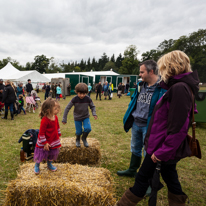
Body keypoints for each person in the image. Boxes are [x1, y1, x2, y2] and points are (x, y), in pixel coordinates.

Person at [116, 50, 200, 206]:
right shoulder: (177, 86)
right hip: (161, 144)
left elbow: (179, 127)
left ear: (171, 66)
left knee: (142, 178)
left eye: (163, 67)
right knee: (170, 176)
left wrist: (162, 151)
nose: (161, 70)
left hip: (161, 146)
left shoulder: (180, 88)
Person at [117, 60, 166, 178]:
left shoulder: (162, 88)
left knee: (148, 152)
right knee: (135, 147)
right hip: (136, 123)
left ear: (151, 71)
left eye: (142, 72)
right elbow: (133, 102)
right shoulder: (140, 86)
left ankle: (149, 178)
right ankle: (132, 170)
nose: (140, 74)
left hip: (150, 126)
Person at [62, 83, 97, 147]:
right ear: (76, 92)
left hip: (85, 117)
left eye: (84, 94)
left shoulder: (88, 99)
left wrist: (94, 113)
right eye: (80, 93)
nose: (82, 95)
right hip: (77, 118)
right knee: (79, 132)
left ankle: (84, 138)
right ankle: (78, 139)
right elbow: (67, 108)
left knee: (88, 128)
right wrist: (64, 119)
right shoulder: (74, 99)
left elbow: (92, 106)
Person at [33, 97, 61, 174]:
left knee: (52, 153)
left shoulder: (55, 117)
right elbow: (41, 133)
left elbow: (57, 126)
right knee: (41, 154)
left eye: (58, 108)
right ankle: (37, 165)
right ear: (48, 110)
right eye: (55, 108)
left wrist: (58, 134)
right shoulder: (44, 120)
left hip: (53, 139)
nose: (57, 110)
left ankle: (49, 164)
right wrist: (45, 143)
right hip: (44, 141)